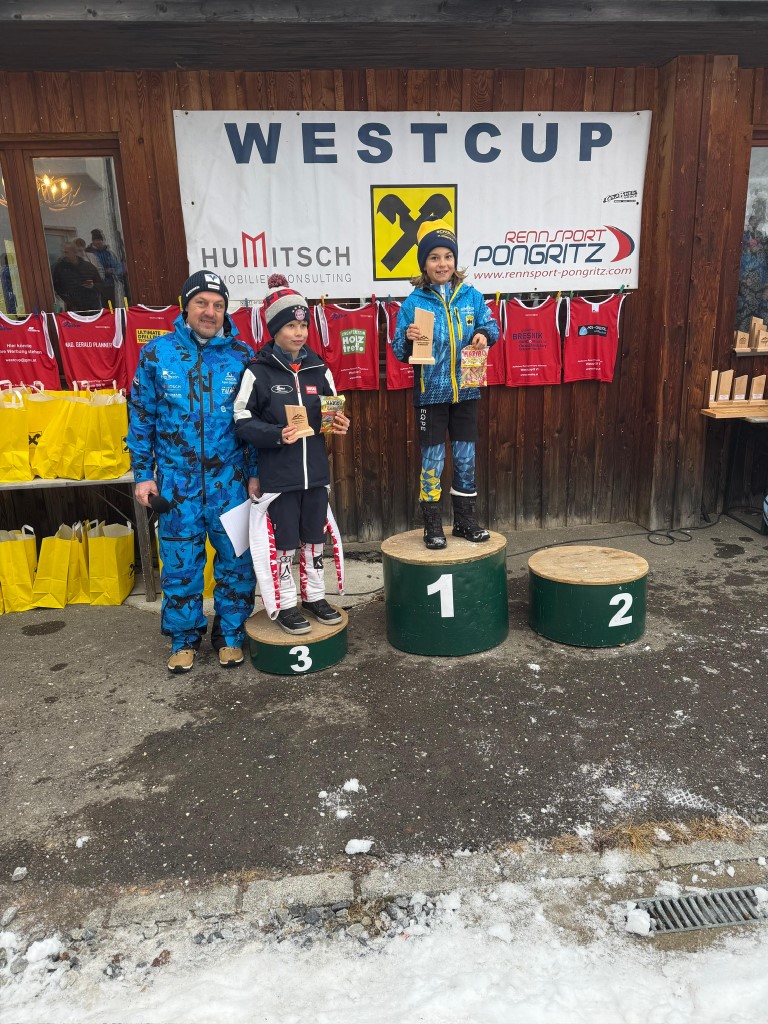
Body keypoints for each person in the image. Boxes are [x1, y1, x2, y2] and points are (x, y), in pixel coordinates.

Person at [127, 270, 258, 673]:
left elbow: (254, 421)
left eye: (218, 305)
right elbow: (141, 416)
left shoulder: (242, 356)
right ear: (186, 306)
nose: (210, 312)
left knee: (236, 563)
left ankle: (230, 635)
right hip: (175, 485)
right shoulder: (157, 354)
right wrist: (143, 474)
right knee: (180, 564)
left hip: (230, 483)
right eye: (202, 302)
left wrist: (255, 472)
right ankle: (184, 639)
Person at [233, 274, 350, 636]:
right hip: (279, 477)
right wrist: (275, 435)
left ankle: (314, 597)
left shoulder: (319, 368)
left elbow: (330, 411)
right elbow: (241, 419)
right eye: (290, 326)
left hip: (314, 473)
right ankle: (285, 605)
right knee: (284, 544)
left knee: (314, 539)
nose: (299, 333)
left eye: (303, 325)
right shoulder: (258, 371)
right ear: (274, 329)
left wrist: (339, 422)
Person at [392, 219, 499, 549]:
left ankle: (465, 522)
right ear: (424, 264)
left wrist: (483, 334)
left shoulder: (471, 296)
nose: (442, 264)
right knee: (433, 461)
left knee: (466, 458)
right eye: (434, 257)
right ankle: (433, 526)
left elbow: (491, 326)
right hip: (430, 396)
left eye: (448, 256)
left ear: (455, 260)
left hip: (466, 390)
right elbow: (398, 350)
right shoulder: (413, 303)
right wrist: (408, 338)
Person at [51, 241, 102, 312]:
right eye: (63, 252)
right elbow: (56, 287)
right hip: (71, 307)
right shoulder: (58, 268)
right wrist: (65, 299)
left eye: (66, 252)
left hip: (91, 305)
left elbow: (100, 284)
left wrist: (92, 286)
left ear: (74, 252)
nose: (64, 255)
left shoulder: (89, 267)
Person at [86, 229, 123, 308]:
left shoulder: (108, 253)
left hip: (109, 284)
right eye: (96, 240)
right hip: (97, 285)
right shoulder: (89, 254)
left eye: (100, 240)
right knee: (100, 306)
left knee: (111, 306)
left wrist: (113, 271)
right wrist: (104, 272)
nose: (99, 242)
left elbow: (117, 266)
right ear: (93, 241)